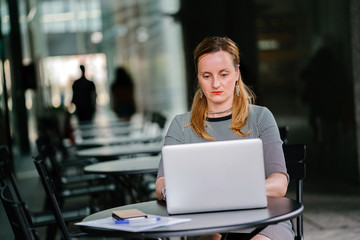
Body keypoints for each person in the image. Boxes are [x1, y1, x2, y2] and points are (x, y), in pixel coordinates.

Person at [155, 37, 294, 240]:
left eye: (224, 74)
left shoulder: (260, 117)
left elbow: (279, 183)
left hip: (263, 221)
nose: (216, 84)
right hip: (206, 223)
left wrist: (219, 194)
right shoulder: (181, 125)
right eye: (206, 76)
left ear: (237, 74)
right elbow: (161, 185)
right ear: (198, 78)